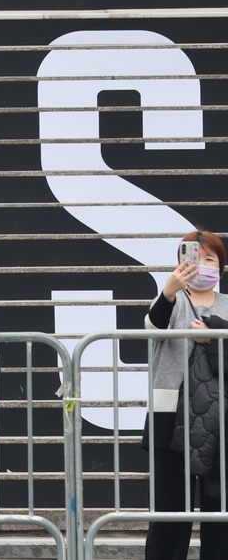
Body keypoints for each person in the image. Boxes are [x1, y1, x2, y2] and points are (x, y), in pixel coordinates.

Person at [142, 231, 228, 560]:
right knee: (169, 512)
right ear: (182, 262)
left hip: (219, 422)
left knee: (219, 513)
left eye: (211, 259)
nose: (203, 265)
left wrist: (214, 338)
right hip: (170, 418)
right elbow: (150, 329)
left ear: (221, 268)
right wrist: (168, 292)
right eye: (196, 257)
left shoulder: (226, 305)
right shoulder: (172, 300)